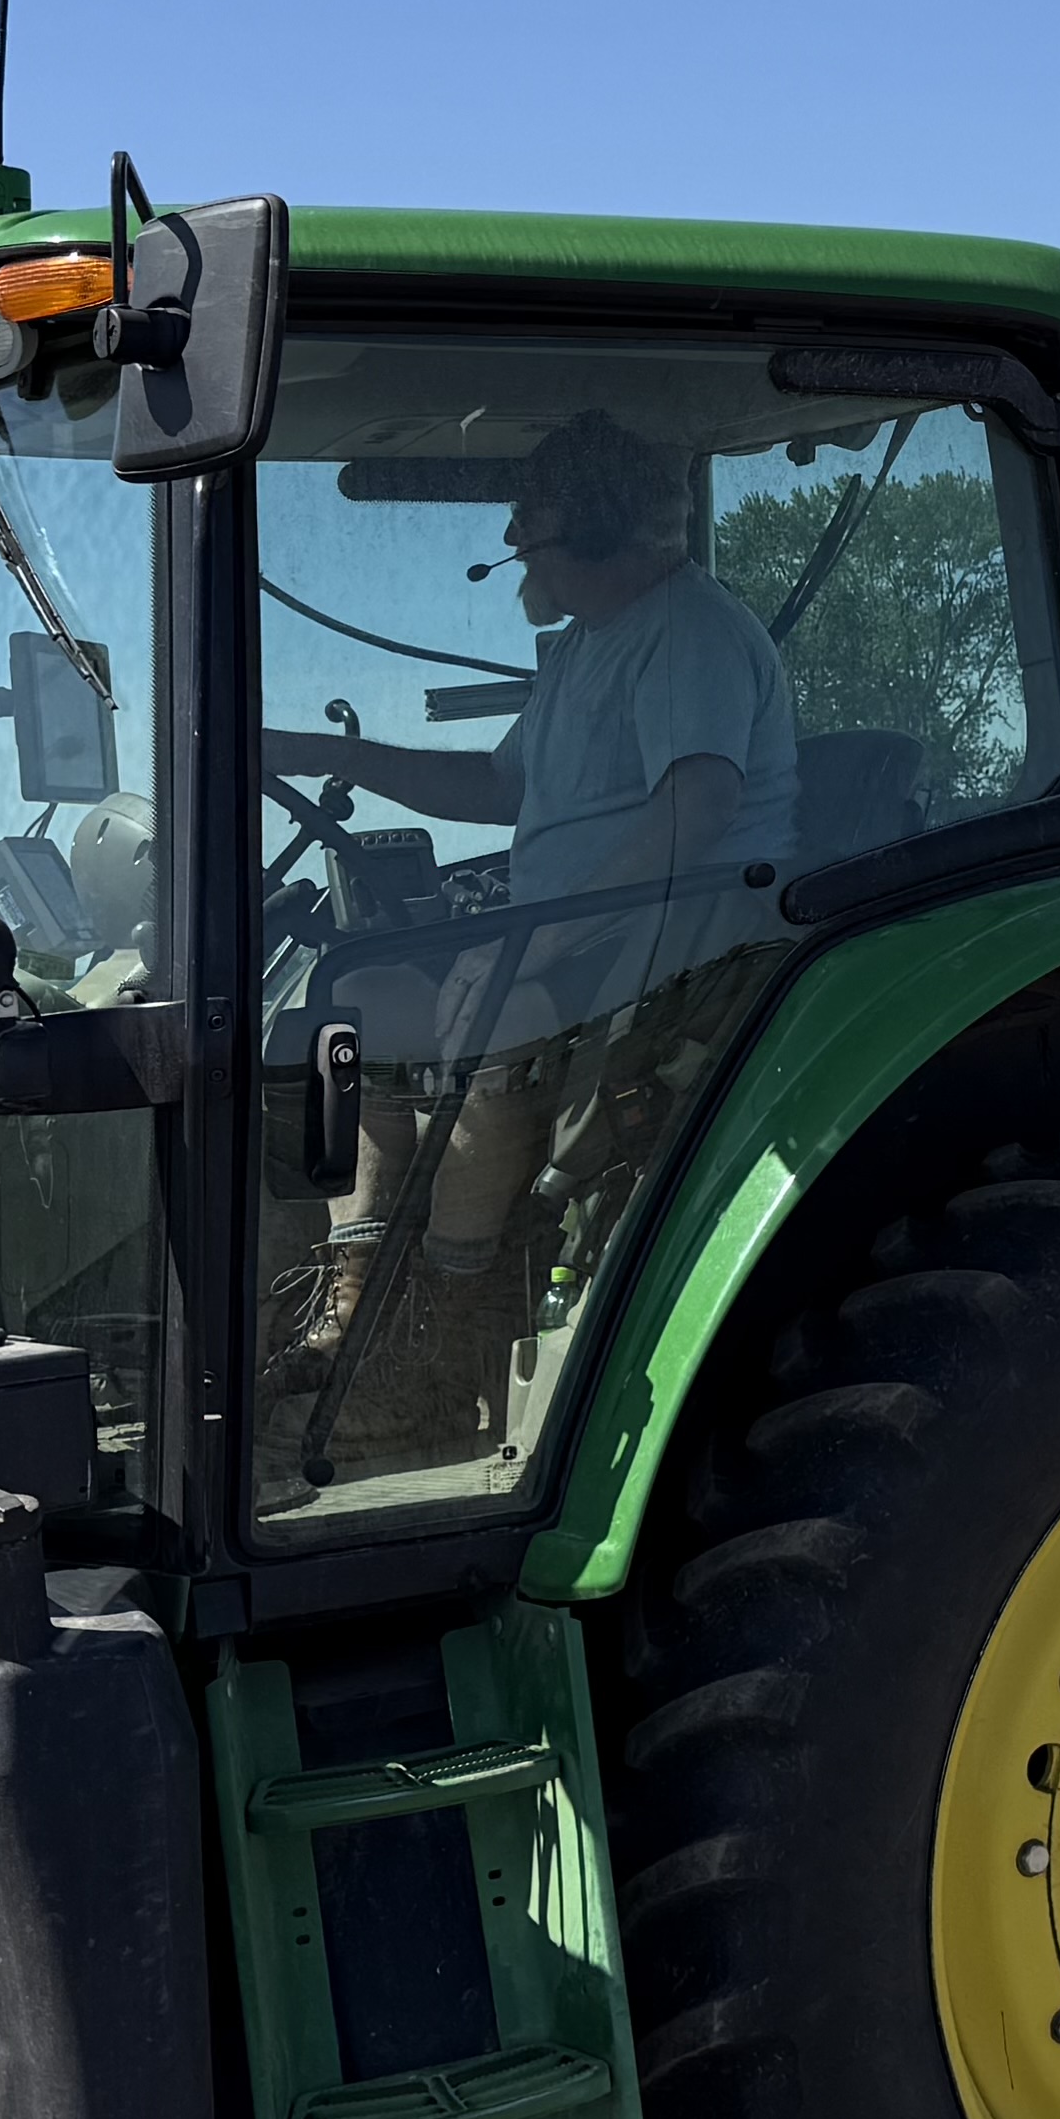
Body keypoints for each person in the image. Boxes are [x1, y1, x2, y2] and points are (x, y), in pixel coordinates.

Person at [270, 409, 795, 1460]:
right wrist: (321, 754)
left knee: (499, 1007)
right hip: (588, 933)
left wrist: (539, 944)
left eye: (535, 521)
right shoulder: (588, 650)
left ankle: (447, 1353)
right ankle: (355, 1307)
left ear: (597, 530)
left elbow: (694, 810)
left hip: (686, 941)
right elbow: (496, 785)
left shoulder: (685, 631)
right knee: (362, 1002)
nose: (516, 540)